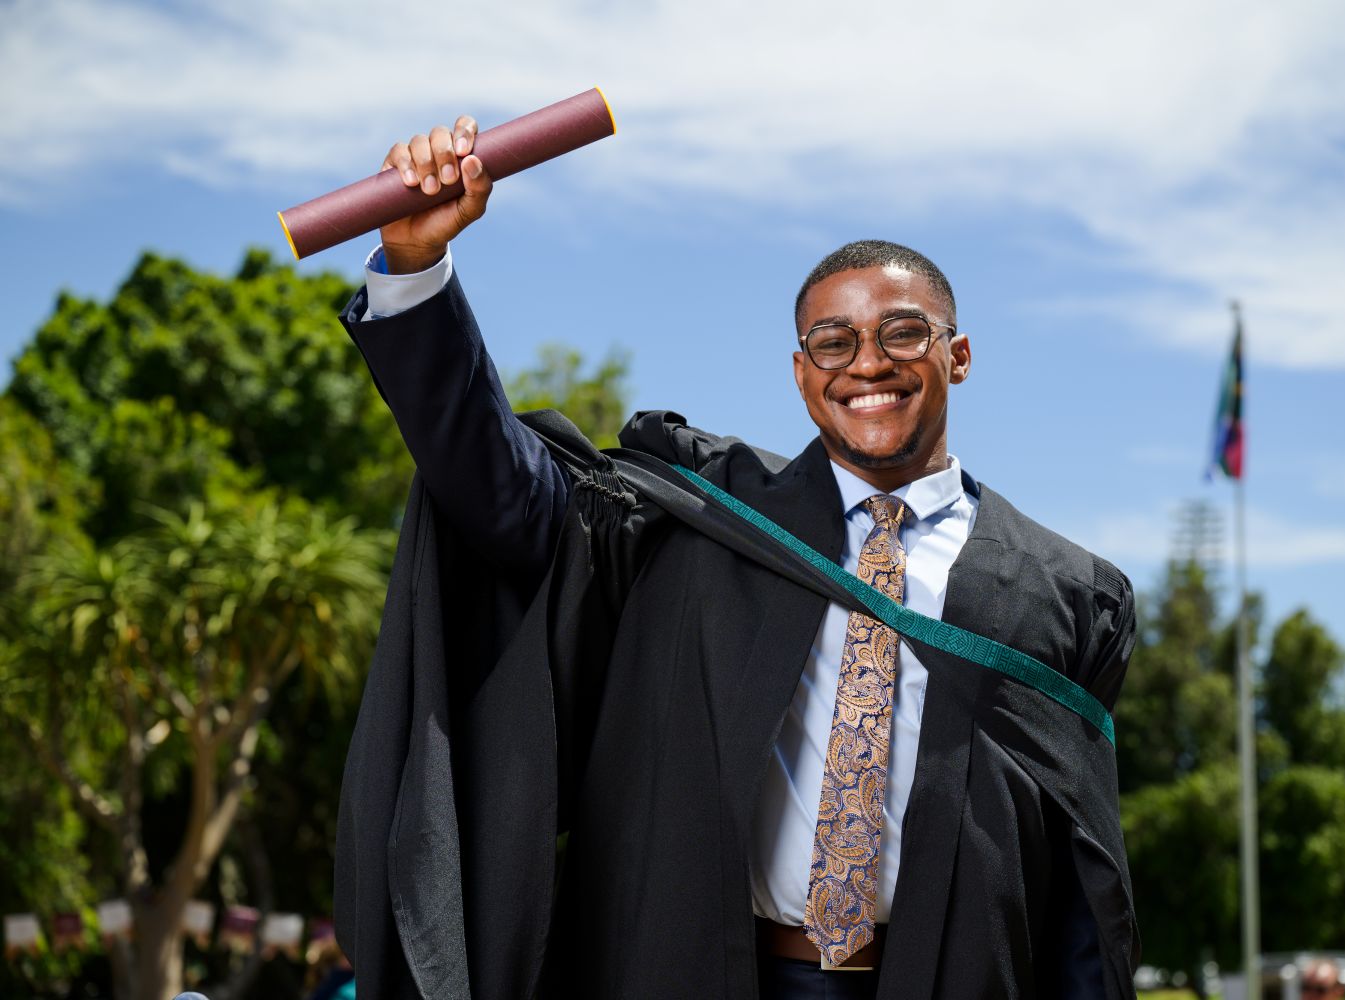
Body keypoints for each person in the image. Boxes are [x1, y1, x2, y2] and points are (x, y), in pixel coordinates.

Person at [334, 116, 1140, 1000]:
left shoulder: (1067, 594)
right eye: (834, 343)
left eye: (904, 334)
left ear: (959, 355)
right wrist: (416, 268)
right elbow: (497, 487)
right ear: (802, 373)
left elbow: (1078, 874)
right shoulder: (704, 516)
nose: (867, 363)